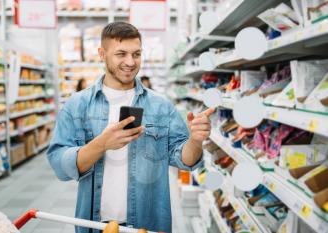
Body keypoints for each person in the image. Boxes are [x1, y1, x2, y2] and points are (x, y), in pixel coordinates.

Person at [47, 22, 213, 233]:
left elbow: (185, 160)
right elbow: (59, 165)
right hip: (95, 225)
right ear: (102, 54)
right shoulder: (77, 105)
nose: (130, 62)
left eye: (136, 54)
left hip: (147, 224)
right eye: (121, 54)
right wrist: (101, 144)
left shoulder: (160, 106)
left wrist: (195, 140)